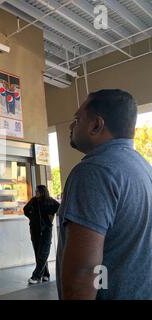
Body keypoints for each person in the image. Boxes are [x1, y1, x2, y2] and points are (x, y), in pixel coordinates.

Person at [56, 89, 152, 300]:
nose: (71, 126)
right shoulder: (144, 168)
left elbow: (84, 271)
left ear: (96, 125)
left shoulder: (94, 171)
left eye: (77, 118)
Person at [23, 185, 59, 284]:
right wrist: (32, 218)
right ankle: (45, 274)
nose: (36, 193)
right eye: (36, 191)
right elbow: (25, 210)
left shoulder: (50, 201)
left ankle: (36, 276)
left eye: (38, 191)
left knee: (43, 252)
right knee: (38, 252)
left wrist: (49, 219)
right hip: (35, 229)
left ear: (43, 192)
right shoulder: (33, 201)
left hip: (46, 230)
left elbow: (58, 207)